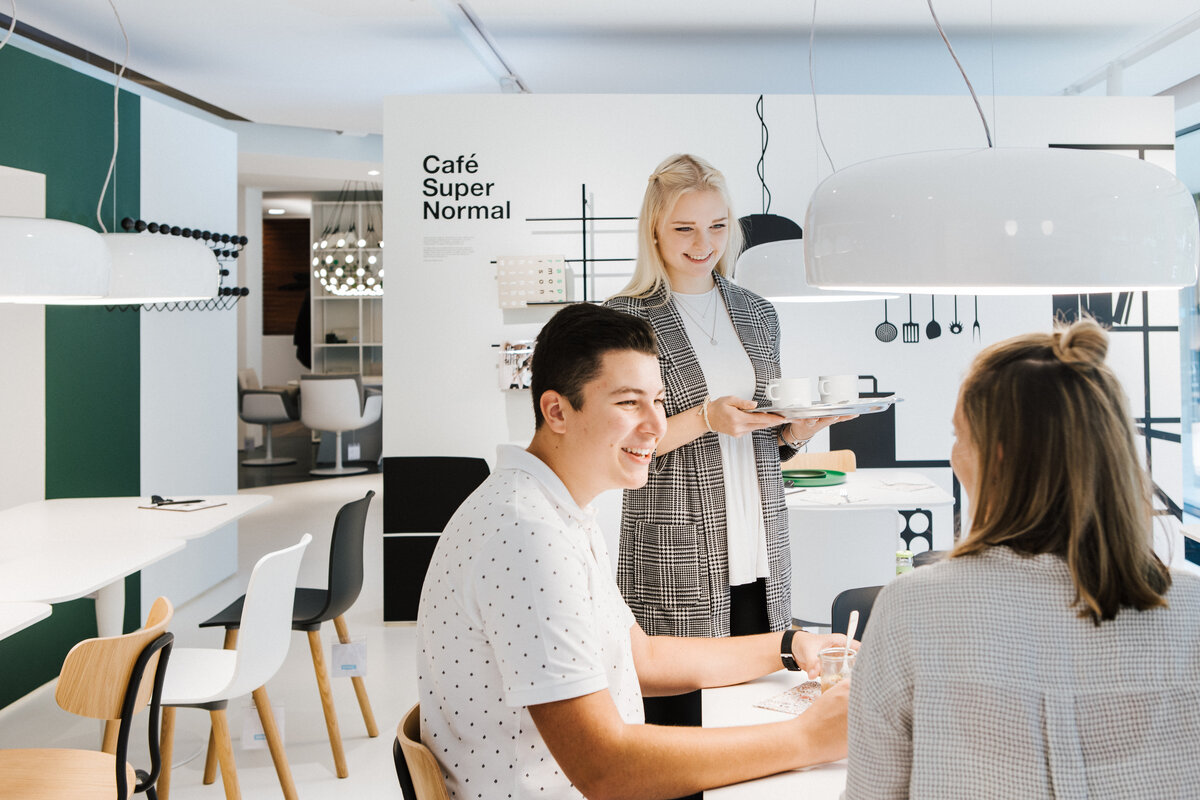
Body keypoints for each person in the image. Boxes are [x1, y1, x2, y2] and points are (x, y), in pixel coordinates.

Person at [416, 303, 851, 800]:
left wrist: (789, 645)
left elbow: (640, 657)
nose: (656, 426)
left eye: (659, 401)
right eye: (628, 403)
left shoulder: (553, 509)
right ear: (557, 411)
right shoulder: (526, 535)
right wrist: (807, 738)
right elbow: (606, 769)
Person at [845, 318, 1200, 799]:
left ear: (996, 456)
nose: (954, 454)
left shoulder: (913, 609)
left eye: (958, 435)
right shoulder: (1193, 611)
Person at [604, 154, 853, 739]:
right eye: (684, 228)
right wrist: (706, 418)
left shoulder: (757, 313)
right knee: (679, 726)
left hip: (761, 549)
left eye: (717, 226)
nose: (703, 242)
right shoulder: (623, 322)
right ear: (655, 231)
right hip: (676, 554)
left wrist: (797, 430)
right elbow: (619, 444)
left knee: (756, 714)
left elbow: (767, 443)